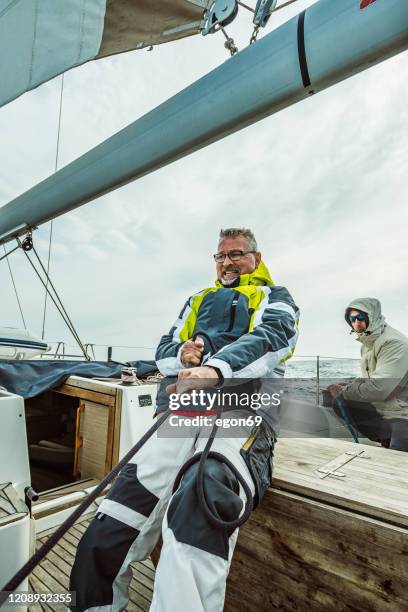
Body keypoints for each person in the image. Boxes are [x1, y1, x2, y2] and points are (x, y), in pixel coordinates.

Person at [70, 227, 299, 611]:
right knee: (121, 505)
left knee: (203, 495)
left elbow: (275, 336)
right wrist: (184, 356)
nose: (227, 262)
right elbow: (164, 350)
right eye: (221, 256)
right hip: (181, 411)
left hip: (241, 413)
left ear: (255, 259)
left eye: (236, 254)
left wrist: (215, 369)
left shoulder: (275, 297)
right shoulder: (198, 298)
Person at [327, 297, 408, 451]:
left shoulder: (393, 342)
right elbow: (371, 380)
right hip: (386, 408)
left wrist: (345, 391)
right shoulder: (367, 345)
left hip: (403, 413)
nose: (356, 322)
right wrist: (348, 387)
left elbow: (380, 388)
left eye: (361, 317)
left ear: (373, 317)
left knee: (398, 465)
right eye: (352, 319)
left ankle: (391, 440)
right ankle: (385, 437)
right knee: (342, 402)